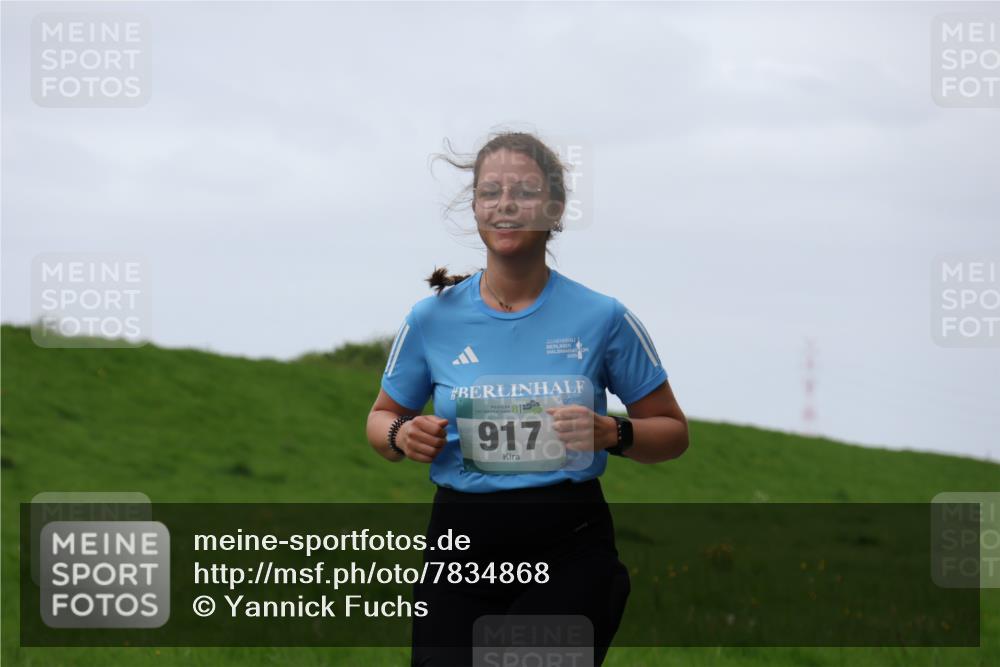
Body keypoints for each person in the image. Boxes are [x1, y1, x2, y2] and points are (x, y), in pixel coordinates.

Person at [366, 131, 689, 666]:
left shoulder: (603, 317)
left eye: (524, 191)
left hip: (569, 547)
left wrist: (615, 432)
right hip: (460, 553)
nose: (506, 205)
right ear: (474, 208)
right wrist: (402, 434)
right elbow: (380, 420)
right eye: (490, 192)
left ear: (556, 208)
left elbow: (673, 433)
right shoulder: (431, 319)